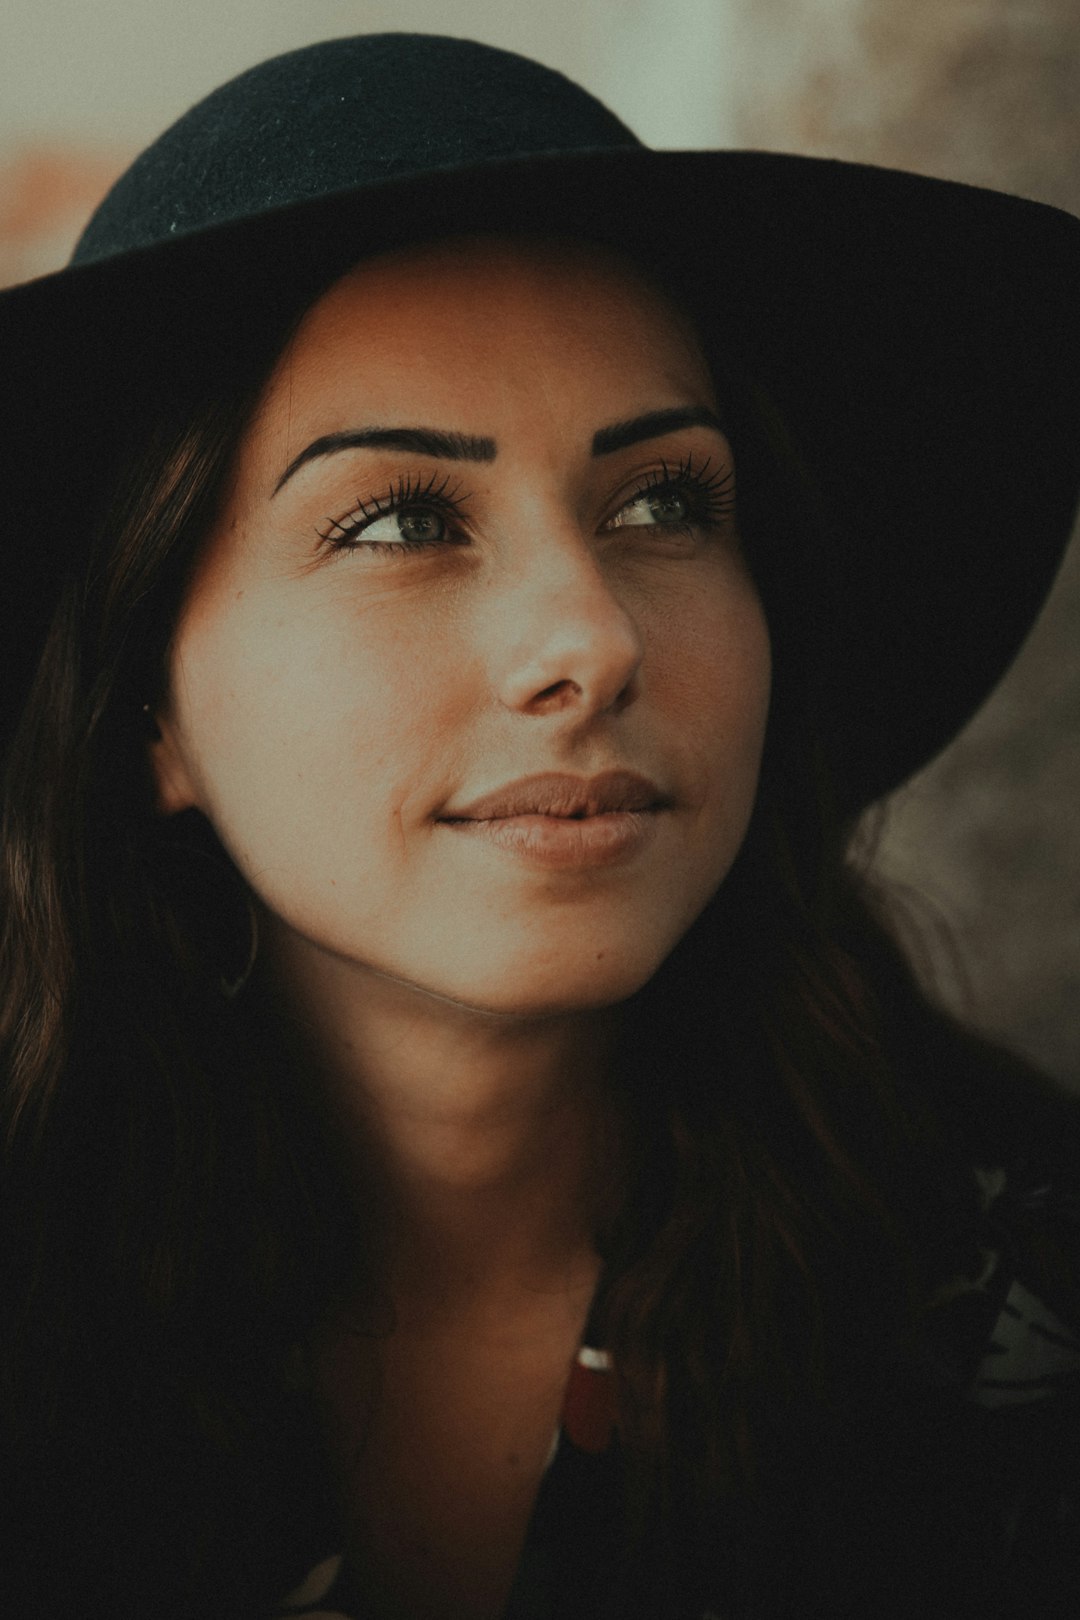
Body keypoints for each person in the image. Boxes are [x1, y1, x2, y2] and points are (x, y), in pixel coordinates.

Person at [1, 31, 1078, 1620]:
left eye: (665, 502)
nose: (591, 639)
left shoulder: (1022, 1300)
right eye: (400, 521)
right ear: (146, 713)